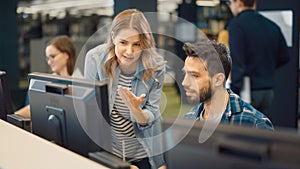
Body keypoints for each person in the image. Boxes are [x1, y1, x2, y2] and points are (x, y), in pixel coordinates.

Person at [84, 9, 166, 169]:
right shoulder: (95, 58)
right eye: (123, 43)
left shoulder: (155, 67)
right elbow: (89, 109)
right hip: (110, 154)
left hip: (145, 153)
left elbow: (152, 114)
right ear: (114, 37)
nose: (129, 51)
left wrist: (136, 111)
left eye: (137, 44)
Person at [182, 40, 274, 131]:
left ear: (218, 80)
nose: (185, 83)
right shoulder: (189, 119)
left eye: (194, 76)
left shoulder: (255, 124)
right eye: (184, 74)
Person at [227, 0, 289, 116]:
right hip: (268, 91)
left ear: (239, 3)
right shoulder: (271, 25)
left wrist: (233, 91)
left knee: (241, 130)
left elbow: (237, 61)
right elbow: (284, 56)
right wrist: (265, 67)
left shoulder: (237, 25)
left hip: (247, 90)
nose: (230, 6)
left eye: (230, 2)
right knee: (260, 129)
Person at [15, 35, 82, 118]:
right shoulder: (49, 81)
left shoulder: (81, 84)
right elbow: (32, 108)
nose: (49, 62)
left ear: (66, 55)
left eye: (53, 57)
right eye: (48, 58)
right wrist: (10, 117)